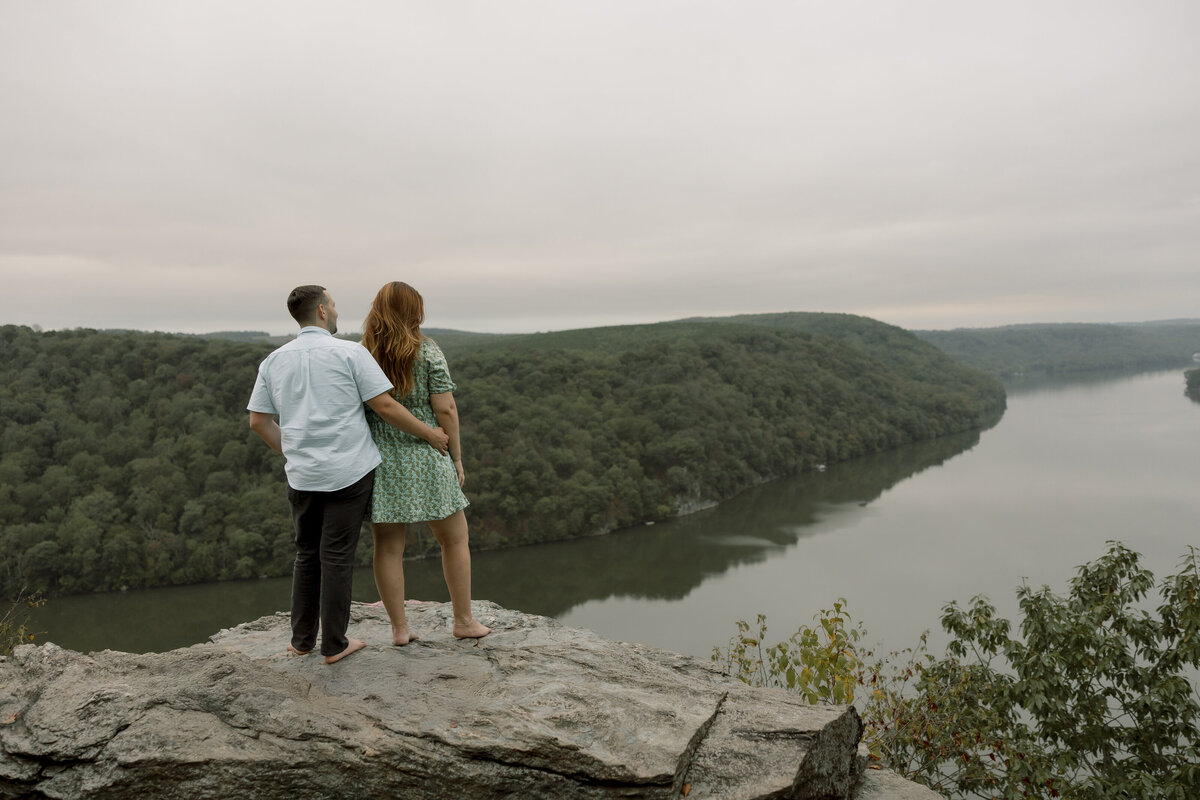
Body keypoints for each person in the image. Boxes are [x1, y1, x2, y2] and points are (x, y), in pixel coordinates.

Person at [247, 285, 450, 664]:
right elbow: (385, 405)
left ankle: (302, 640)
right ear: (322, 311)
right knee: (337, 556)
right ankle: (335, 644)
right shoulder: (350, 353)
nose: (338, 312)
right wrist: (430, 434)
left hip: (303, 474)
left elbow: (259, 421)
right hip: (348, 471)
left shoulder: (274, 360)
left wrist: (292, 450)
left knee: (306, 555)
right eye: (335, 305)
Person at [361, 281, 491, 644]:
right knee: (454, 540)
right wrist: (456, 457)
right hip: (429, 451)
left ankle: (400, 629)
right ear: (414, 312)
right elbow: (445, 408)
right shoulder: (428, 351)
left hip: (381, 456)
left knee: (387, 547)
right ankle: (463, 621)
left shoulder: (361, 353)